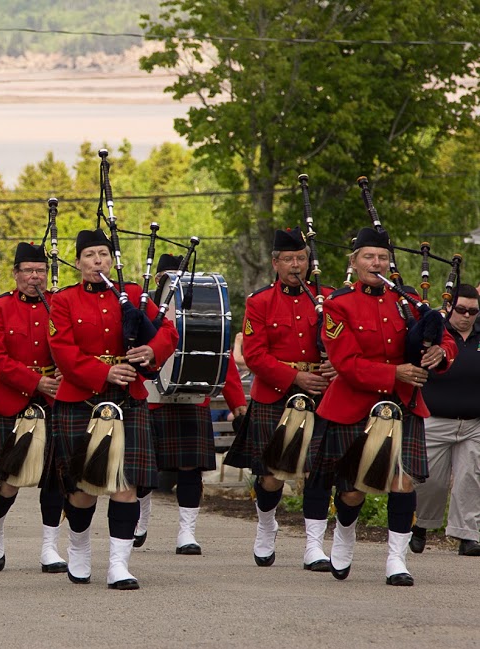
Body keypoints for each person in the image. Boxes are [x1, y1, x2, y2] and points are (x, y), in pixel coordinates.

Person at [308, 227, 458, 586]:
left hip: (403, 403)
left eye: (381, 257)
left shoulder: (406, 300)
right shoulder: (337, 304)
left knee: (403, 482)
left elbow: (446, 337)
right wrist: (395, 373)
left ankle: (396, 559)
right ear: (355, 262)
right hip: (354, 406)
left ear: (389, 261)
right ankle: (345, 532)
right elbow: (345, 362)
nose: (376, 263)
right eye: (368, 257)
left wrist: (441, 354)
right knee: (352, 490)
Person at [48, 228, 179, 590]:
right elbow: (62, 350)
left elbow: (167, 330)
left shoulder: (133, 294)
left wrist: (153, 350)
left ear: (112, 259)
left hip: (128, 398)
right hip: (80, 399)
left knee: (126, 485)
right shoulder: (63, 301)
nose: (98, 261)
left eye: (104, 254)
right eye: (90, 255)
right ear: (77, 263)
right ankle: (78, 548)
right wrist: (104, 371)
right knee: (82, 488)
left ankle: (119, 565)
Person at [223, 227, 336, 571]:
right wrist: (295, 377)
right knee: (272, 474)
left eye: (301, 258)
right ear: (275, 262)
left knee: (319, 472)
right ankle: (266, 524)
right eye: (288, 259)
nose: (296, 265)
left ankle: (314, 546)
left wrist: (335, 364)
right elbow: (254, 355)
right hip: (275, 394)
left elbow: (341, 344)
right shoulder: (260, 302)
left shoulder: (327, 298)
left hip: (322, 394)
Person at [136, 254, 248, 554]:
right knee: (144, 468)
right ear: (158, 281)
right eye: (166, 279)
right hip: (150, 397)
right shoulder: (141, 309)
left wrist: (238, 406)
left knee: (190, 469)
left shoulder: (201, 312)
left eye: (178, 278)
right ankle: (140, 519)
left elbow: (222, 359)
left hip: (192, 397)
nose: (173, 285)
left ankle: (187, 533)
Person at [0, 242, 66, 574]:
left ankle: (49, 548)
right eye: (28, 271)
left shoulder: (59, 305)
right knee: (11, 479)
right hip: (13, 400)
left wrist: (65, 370)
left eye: (40, 271)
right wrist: (35, 381)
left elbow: (72, 345)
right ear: (16, 274)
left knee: (56, 478)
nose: (35, 277)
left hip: (55, 399)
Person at [410, 283, 480, 557]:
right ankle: (421, 526)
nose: (466, 315)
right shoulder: (435, 332)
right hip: (435, 417)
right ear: (450, 307)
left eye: (473, 311)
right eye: (461, 309)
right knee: (430, 480)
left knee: (470, 478)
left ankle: (467, 535)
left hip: (473, 422)